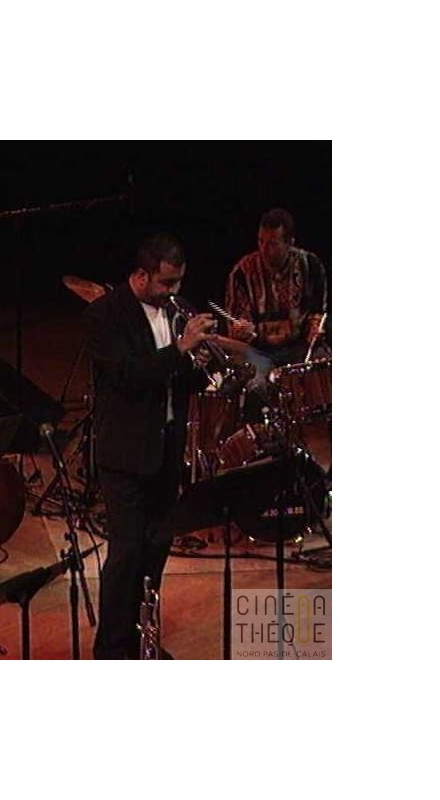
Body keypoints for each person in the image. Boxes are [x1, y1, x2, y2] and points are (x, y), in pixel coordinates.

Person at [83, 233, 215, 659]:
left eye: (179, 282)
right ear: (141, 275)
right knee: (126, 556)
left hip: (165, 450)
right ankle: (112, 651)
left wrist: (202, 365)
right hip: (125, 454)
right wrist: (180, 349)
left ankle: (144, 642)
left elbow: (180, 380)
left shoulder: (174, 310)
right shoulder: (105, 314)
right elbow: (128, 377)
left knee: (156, 551)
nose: (174, 292)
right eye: (167, 283)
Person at [224, 208, 328, 409]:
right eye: (260, 241)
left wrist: (316, 329)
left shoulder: (310, 266)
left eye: (272, 244)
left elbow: (317, 315)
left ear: (289, 242)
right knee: (254, 384)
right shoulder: (242, 273)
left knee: (322, 374)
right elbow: (236, 324)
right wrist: (241, 330)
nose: (264, 249)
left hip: (299, 348)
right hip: (259, 351)